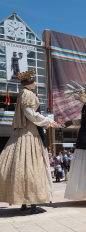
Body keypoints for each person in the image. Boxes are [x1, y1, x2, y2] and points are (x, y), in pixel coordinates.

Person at [0, 70, 57, 213]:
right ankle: (32, 205)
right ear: (30, 82)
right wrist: (49, 121)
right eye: (34, 81)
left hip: (20, 134)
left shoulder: (21, 95)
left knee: (22, 169)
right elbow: (30, 114)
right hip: (30, 135)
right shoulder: (29, 95)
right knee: (33, 169)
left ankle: (23, 203)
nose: (36, 83)